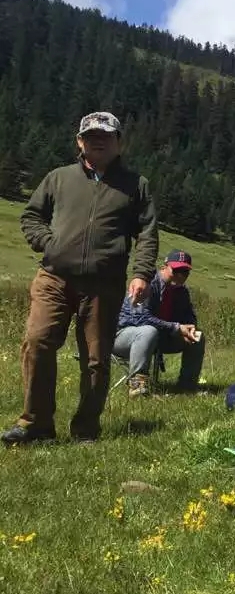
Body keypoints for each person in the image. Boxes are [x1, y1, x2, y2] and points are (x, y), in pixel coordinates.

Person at [3, 112, 158, 446]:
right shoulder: (59, 178)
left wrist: (142, 273)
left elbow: (146, 232)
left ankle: (86, 429)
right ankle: (35, 423)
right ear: (79, 142)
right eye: (90, 136)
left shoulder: (136, 185)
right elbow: (32, 215)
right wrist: (49, 243)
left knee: (96, 358)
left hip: (105, 284)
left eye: (105, 135)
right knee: (37, 341)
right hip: (54, 278)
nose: (97, 140)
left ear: (119, 142)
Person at [113, 249, 204, 397]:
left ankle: (187, 386)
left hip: (161, 337)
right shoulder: (148, 284)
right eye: (177, 270)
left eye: (185, 272)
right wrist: (176, 327)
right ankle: (138, 385)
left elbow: (189, 316)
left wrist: (190, 328)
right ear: (165, 266)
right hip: (125, 336)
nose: (181, 275)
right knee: (148, 331)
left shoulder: (182, 292)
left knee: (198, 337)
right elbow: (141, 318)